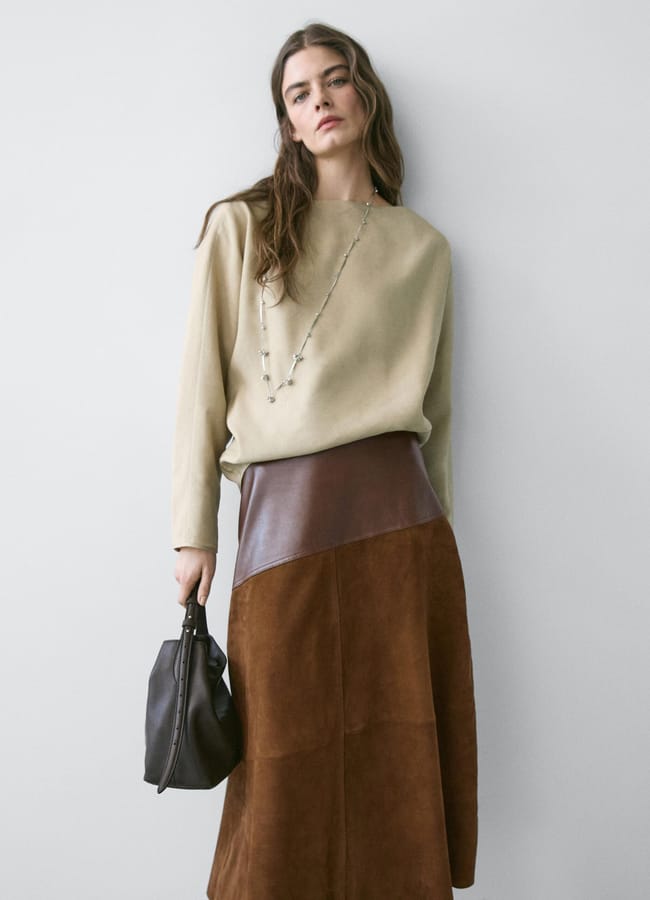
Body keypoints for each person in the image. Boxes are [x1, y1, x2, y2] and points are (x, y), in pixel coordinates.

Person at [171, 21, 478, 900]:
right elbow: (199, 394)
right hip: (285, 525)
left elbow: (439, 416)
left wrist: (438, 547)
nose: (319, 101)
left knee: (397, 755)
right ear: (288, 125)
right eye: (298, 94)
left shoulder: (425, 249)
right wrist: (193, 534)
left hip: (404, 531)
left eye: (333, 82)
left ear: (364, 96)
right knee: (279, 762)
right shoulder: (243, 227)